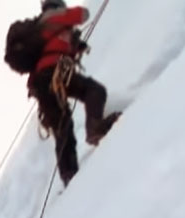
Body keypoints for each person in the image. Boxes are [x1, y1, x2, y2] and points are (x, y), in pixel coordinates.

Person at [9, 0, 121, 186]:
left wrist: (76, 45)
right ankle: (95, 128)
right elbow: (82, 14)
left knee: (62, 127)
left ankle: (69, 176)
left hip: (42, 82)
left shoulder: (43, 27)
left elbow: (55, 44)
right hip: (54, 74)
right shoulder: (53, 17)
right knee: (94, 91)